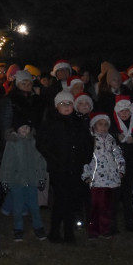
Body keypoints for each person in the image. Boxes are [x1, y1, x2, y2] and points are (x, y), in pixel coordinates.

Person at [38, 90, 93, 244]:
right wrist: (54, 160)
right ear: (57, 106)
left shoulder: (78, 123)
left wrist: (85, 158)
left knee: (72, 200)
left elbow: (87, 143)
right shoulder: (51, 123)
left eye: (69, 103)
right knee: (61, 200)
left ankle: (68, 232)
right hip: (59, 169)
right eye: (63, 104)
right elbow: (42, 144)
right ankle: (55, 231)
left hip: (76, 168)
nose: (67, 106)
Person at [0, 117, 48, 241]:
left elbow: (40, 161)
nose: (25, 129)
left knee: (34, 206)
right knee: (18, 207)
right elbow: (6, 162)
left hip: (31, 181)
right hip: (17, 181)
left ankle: (38, 227)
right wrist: (5, 180)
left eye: (27, 127)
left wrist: (41, 177)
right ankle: (18, 228)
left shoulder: (33, 142)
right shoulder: (12, 143)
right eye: (22, 127)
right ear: (17, 129)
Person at [82, 113, 124, 238]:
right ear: (94, 126)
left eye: (106, 125)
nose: (103, 127)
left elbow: (118, 155)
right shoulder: (91, 140)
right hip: (96, 179)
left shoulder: (111, 140)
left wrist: (121, 170)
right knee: (95, 205)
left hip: (111, 179)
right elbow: (85, 159)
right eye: (100, 124)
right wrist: (86, 175)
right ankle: (93, 230)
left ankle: (105, 229)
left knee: (107, 205)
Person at [110, 95, 133, 232]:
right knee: (115, 195)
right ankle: (112, 225)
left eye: (127, 110)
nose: (124, 113)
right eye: (121, 111)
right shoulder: (111, 125)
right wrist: (116, 137)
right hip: (116, 166)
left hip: (131, 164)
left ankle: (129, 222)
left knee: (128, 194)